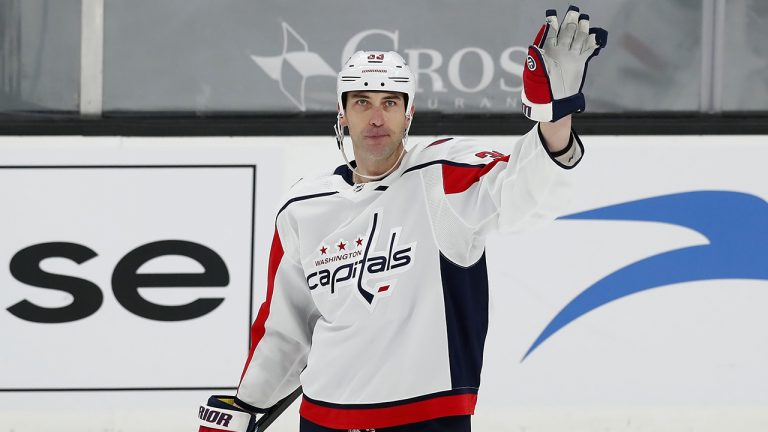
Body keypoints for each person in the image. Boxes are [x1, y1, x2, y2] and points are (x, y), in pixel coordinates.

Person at [198, 6, 606, 432]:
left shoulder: (443, 178)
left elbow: (525, 197)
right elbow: (286, 329)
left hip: (426, 419)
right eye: (362, 102)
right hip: (323, 419)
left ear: (408, 114)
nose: (376, 117)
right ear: (342, 114)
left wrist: (555, 117)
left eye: (390, 102)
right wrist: (245, 406)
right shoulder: (304, 206)